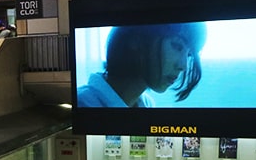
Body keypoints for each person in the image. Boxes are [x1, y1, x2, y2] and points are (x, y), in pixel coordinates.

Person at [77, 22, 207, 108]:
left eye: (189, 55)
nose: (183, 66)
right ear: (136, 41)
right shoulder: (83, 103)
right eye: (177, 46)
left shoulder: (147, 104)